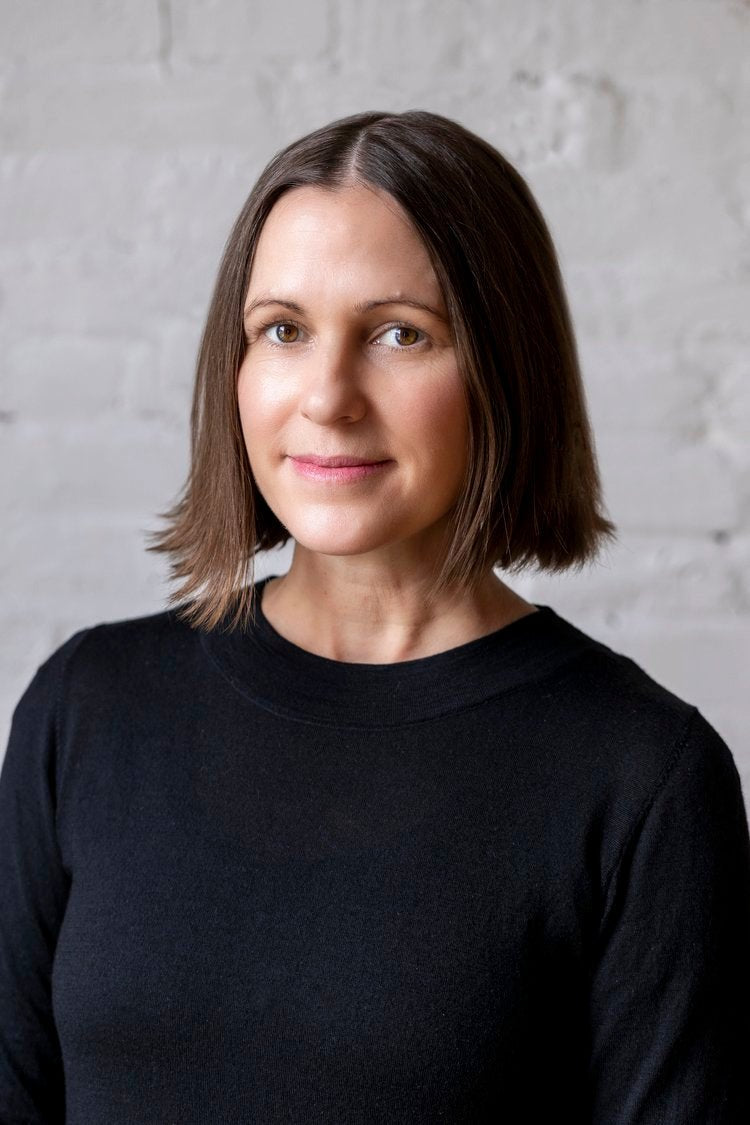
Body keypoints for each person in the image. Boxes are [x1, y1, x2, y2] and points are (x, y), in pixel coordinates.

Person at [1, 110, 749, 1123]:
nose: (328, 396)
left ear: (503, 366)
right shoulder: (86, 710)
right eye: (284, 330)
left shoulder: (641, 775)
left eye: (401, 333)